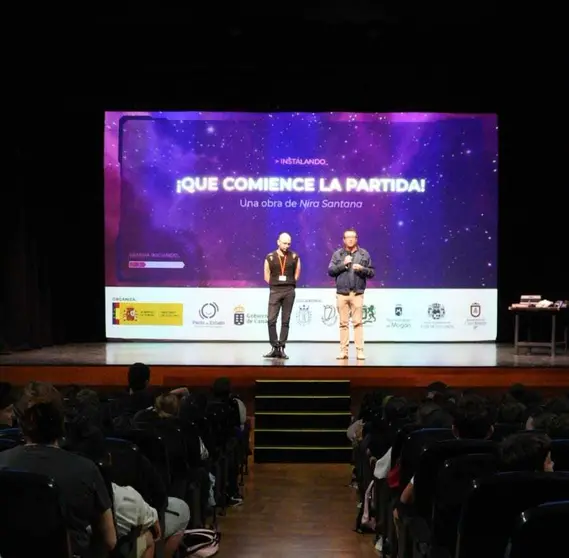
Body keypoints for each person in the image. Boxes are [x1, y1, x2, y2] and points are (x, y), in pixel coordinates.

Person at [328, 227, 374, 360]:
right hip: (342, 294)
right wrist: (343, 264)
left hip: (357, 293)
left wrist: (362, 269)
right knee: (343, 324)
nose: (350, 239)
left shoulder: (364, 254)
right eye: (348, 237)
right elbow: (330, 271)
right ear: (344, 239)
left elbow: (372, 273)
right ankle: (343, 351)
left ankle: (360, 351)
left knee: (358, 323)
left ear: (356, 239)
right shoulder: (338, 254)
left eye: (353, 237)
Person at [263, 232, 301, 359]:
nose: (286, 246)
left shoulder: (294, 256)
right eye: (284, 243)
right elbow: (266, 275)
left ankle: (282, 347)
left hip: (289, 291)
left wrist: (289, 284)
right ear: (278, 242)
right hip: (275, 290)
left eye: (289, 244)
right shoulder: (270, 257)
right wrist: (275, 285)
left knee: (285, 321)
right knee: (271, 320)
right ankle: (274, 347)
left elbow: (297, 273)